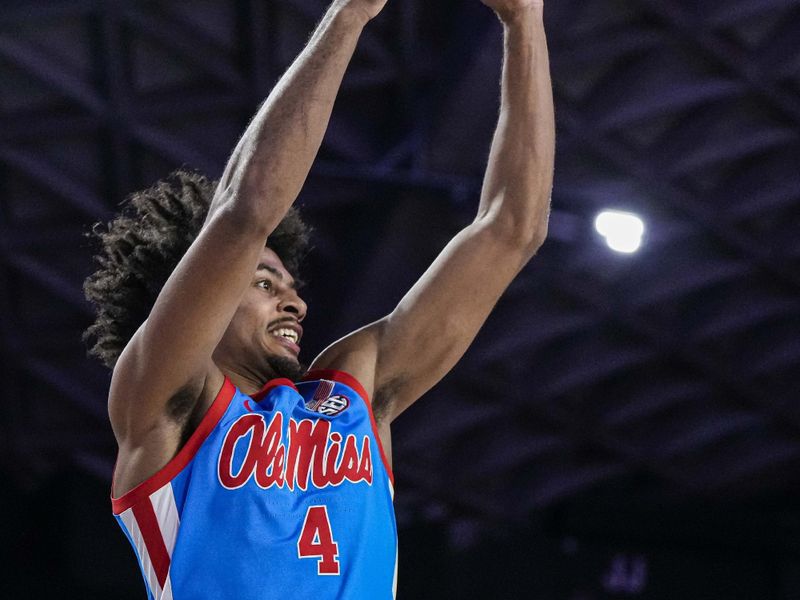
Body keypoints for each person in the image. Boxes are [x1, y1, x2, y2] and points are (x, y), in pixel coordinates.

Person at [83, 0, 554, 597]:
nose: (295, 303)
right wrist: (350, 14)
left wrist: (525, 20)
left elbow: (512, 229)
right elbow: (246, 211)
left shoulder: (353, 390)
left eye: (291, 286)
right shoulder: (166, 401)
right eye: (263, 283)